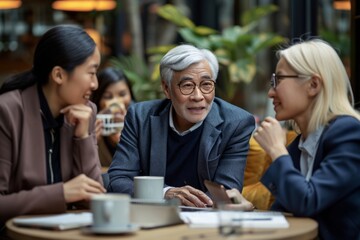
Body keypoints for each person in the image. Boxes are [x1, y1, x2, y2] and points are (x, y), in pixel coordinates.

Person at [108, 44, 255, 208]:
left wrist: (193, 204)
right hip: (152, 217)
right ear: (166, 89)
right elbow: (118, 180)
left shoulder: (236, 123)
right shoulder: (140, 117)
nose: (198, 96)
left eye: (206, 84)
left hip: (205, 224)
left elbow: (227, 191)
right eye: (187, 86)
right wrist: (165, 193)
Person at [249, 39, 360, 239]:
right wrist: (246, 210)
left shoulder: (349, 132)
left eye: (279, 80)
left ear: (313, 85)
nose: (270, 92)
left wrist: (276, 149)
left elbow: (308, 201)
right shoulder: (300, 145)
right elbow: (285, 209)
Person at [0, 25, 106, 228]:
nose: (95, 84)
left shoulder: (86, 113)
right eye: (91, 73)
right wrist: (62, 193)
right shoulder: (8, 111)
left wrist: (83, 137)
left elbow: (95, 199)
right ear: (58, 75)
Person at [91, 67, 135, 167]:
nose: (116, 101)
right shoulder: (92, 127)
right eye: (108, 97)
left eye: (122, 94)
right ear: (98, 99)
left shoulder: (139, 123)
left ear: (130, 95)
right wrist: (91, 142)